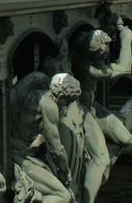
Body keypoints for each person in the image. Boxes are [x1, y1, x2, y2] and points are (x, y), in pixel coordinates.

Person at [70, 22, 132, 203]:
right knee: (101, 159)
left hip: (92, 107)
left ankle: (93, 163)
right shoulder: (89, 69)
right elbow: (124, 68)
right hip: (80, 111)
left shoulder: (85, 41)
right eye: (101, 54)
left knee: (126, 139)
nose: (105, 55)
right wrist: (126, 39)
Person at [9, 72, 82, 203]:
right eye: (67, 101)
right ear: (62, 96)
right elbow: (56, 149)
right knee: (64, 196)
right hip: (21, 157)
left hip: (17, 149)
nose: (65, 106)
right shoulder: (49, 105)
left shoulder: (35, 94)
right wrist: (65, 171)